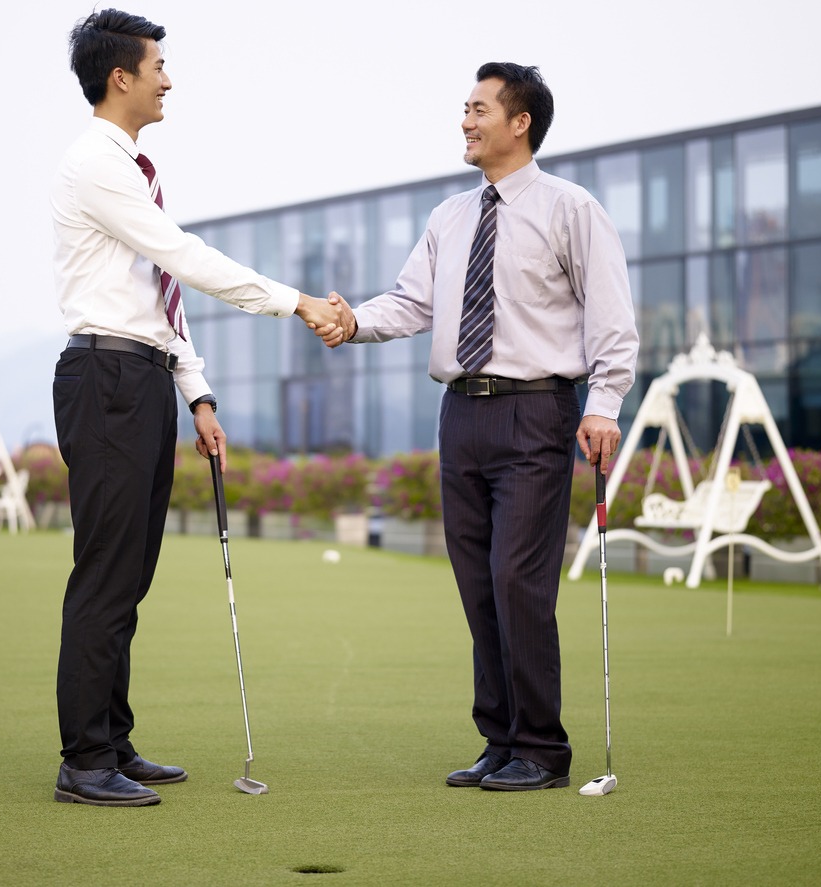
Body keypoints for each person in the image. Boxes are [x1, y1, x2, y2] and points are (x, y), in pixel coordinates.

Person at [49, 8, 343, 808]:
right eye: (157, 66)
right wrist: (297, 302)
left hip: (140, 380)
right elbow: (183, 259)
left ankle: (111, 740)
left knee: (129, 573)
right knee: (107, 574)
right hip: (106, 380)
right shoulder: (97, 164)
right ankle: (83, 761)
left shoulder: (132, 166)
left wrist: (197, 391)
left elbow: (160, 296)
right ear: (122, 77)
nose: (168, 78)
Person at [327, 63, 638, 791]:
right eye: (463, 109)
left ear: (519, 121)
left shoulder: (571, 209)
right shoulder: (449, 217)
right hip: (460, 413)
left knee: (516, 579)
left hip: (536, 411)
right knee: (476, 582)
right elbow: (409, 303)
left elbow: (610, 319)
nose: (464, 121)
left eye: (476, 109)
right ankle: (499, 739)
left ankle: (541, 748)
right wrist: (352, 321)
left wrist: (604, 405)